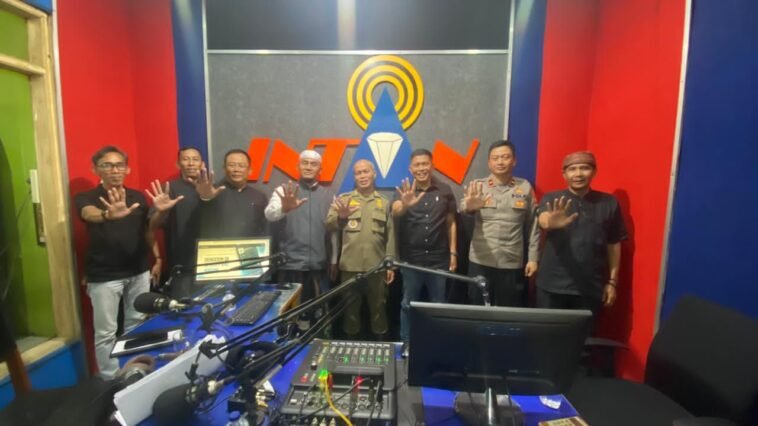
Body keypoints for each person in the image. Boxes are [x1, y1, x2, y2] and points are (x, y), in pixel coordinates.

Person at [74, 146, 159, 378]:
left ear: (127, 169)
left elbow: (148, 230)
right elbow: (88, 213)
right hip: (104, 276)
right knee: (106, 333)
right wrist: (106, 215)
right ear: (95, 169)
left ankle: (133, 372)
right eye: (107, 165)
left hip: (138, 270)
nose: (114, 170)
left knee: (137, 323)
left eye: (119, 165)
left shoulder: (138, 197)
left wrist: (158, 257)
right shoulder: (86, 198)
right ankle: (111, 379)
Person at [536, 151, 627, 321]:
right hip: (551, 286)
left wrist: (612, 282)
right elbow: (543, 219)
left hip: (590, 287)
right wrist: (550, 222)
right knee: (547, 335)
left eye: (584, 168)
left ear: (594, 171)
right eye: (572, 169)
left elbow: (614, 243)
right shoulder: (552, 198)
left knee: (584, 336)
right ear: (564, 174)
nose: (578, 174)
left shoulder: (609, 202)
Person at [392, 149, 457, 353]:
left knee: (438, 305)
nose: (421, 168)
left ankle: (438, 344)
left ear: (432, 166)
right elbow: (395, 211)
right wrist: (405, 204)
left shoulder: (445, 190)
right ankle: (407, 343)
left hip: (439, 259)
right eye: (417, 165)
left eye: (425, 164)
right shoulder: (404, 191)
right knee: (407, 304)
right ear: (411, 169)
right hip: (411, 260)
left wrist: (453, 253)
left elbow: (451, 223)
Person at [460, 140, 539, 307]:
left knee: (508, 310)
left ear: (514, 160)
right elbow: (463, 207)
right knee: (477, 307)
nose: (500, 162)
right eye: (495, 158)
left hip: (511, 261)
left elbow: (533, 225)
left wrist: (533, 258)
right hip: (481, 260)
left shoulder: (525, 187)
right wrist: (469, 207)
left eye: (505, 157)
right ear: (489, 163)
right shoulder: (478, 186)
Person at [265, 150, 338, 323]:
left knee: (316, 317)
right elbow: (269, 214)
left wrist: (334, 259)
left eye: (313, 164)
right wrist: (284, 208)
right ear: (298, 167)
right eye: (305, 163)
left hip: (318, 267)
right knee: (289, 318)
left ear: (320, 170)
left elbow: (333, 231)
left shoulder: (329, 195)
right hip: (290, 265)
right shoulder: (283, 191)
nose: (308, 167)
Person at [326, 160, 396, 340]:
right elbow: (329, 225)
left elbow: (390, 234)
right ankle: (351, 347)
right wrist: (341, 218)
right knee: (350, 310)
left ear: (374, 174)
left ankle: (380, 346)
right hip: (350, 266)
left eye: (366, 171)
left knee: (379, 309)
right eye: (358, 173)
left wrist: (390, 263)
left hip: (377, 266)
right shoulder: (344, 200)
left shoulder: (384, 202)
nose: (363, 176)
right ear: (354, 176)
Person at [146, 147, 204, 297]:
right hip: (181, 263)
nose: (191, 163)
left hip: (211, 261)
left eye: (195, 159)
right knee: (182, 305)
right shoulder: (169, 188)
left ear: (202, 164)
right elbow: (152, 226)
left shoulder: (210, 188)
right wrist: (161, 211)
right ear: (178, 164)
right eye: (186, 159)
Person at [195, 149, 268, 238]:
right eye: (231, 165)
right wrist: (206, 198)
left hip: (250, 246)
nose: (236, 169)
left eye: (241, 166)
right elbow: (201, 219)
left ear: (250, 170)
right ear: (224, 169)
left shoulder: (259, 196)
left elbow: (264, 228)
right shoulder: (213, 191)